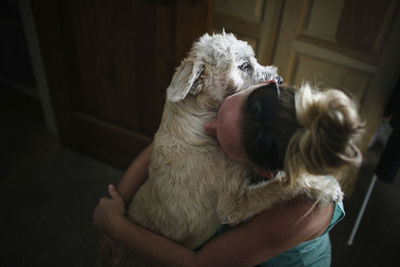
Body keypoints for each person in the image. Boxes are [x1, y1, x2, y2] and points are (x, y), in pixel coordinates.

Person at [93, 81, 364, 267]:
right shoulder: (257, 102)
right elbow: (166, 144)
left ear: (261, 171)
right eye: (218, 114)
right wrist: (119, 202)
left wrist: (116, 225)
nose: (207, 127)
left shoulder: (304, 208)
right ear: (263, 85)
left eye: (220, 141)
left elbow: (200, 265)